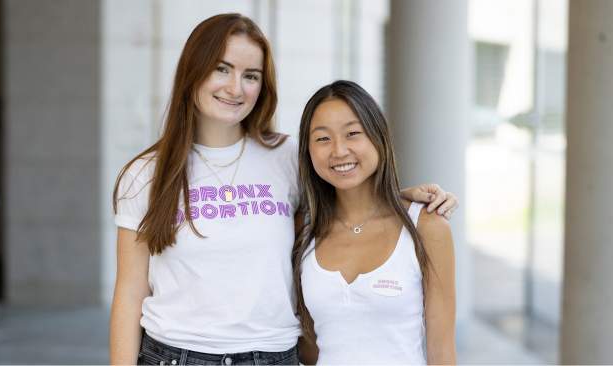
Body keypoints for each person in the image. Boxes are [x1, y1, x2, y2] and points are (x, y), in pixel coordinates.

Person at [110, 14, 459, 365]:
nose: (235, 88)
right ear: (192, 71)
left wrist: (400, 198)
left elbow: (348, 190)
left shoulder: (288, 157)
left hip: (274, 356)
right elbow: (129, 293)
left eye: (250, 76)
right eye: (221, 69)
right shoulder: (146, 174)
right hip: (177, 355)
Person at [293, 80, 456, 365]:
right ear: (307, 150)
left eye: (353, 133)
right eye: (322, 138)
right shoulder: (302, 230)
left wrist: (399, 198)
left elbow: (441, 352)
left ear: (377, 136)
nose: (339, 150)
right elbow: (308, 349)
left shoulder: (426, 226)